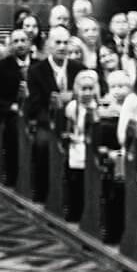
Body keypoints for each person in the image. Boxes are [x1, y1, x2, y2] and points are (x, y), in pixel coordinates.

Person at [25, 26, 84, 200]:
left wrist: (71, 97)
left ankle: (76, 196)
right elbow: (35, 105)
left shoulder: (79, 68)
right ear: (49, 44)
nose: (62, 47)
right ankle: (44, 193)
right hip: (47, 121)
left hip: (77, 121)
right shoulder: (36, 71)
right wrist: (54, 122)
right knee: (43, 143)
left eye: (65, 43)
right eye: (57, 42)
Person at [0, 29, 33, 186]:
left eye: (23, 40)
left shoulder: (39, 65)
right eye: (15, 41)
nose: (20, 44)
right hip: (11, 115)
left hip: (35, 112)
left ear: (29, 43)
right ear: (10, 45)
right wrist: (13, 107)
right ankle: (14, 178)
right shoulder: (1, 66)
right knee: (16, 128)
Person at [63, 69, 101, 222]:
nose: (87, 93)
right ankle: (74, 211)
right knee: (75, 181)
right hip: (76, 145)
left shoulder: (97, 107)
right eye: (83, 89)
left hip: (91, 147)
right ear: (77, 89)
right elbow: (69, 127)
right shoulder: (73, 107)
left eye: (90, 89)